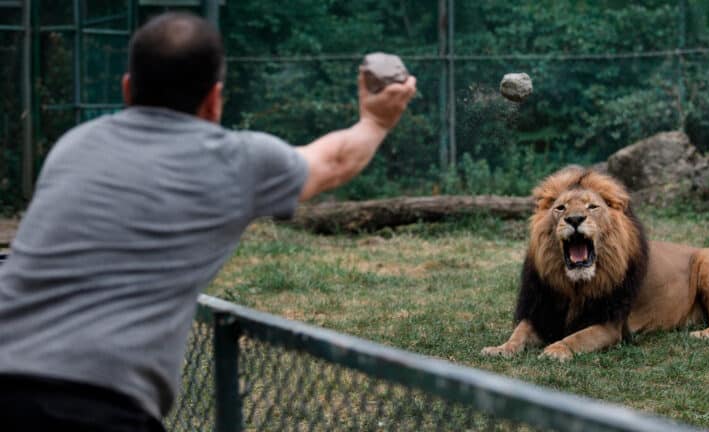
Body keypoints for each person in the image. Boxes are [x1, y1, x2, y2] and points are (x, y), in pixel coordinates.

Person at [0, 12, 416, 431]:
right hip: (99, 405)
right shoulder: (235, 162)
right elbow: (336, 160)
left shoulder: (74, 147)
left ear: (127, 88)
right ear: (214, 100)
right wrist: (376, 120)